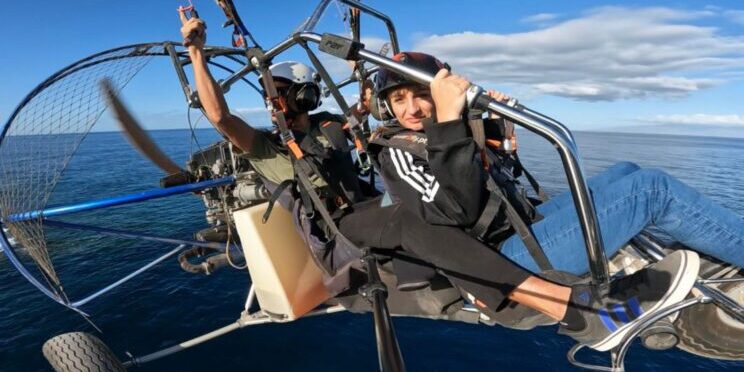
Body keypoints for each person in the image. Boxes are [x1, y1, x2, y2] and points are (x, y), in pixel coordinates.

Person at [179, 13, 698, 352]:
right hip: (343, 232)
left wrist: (358, 33)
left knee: (417, 212)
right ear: (277, 104)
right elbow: (220, 115)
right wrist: (198, 52)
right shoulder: (271, 149)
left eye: (303, 95)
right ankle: (572, 309)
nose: (300, 103)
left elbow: (371, 101)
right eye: (290, 97)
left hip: (375, 216)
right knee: (407, 219)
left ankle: (582, 281)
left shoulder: (332, 128)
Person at [366, 51, 744, 346]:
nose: (411, 109)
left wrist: (491, 124)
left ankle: (702, 247)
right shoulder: (398, 150)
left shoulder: (446, 131)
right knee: (651, 190)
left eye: (422, 95)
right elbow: (458, 211)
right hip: (500, 260)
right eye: (399, 99)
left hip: (522, 227)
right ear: (386, 106)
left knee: (626, 170)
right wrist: (450, 123)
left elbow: (498, 182)